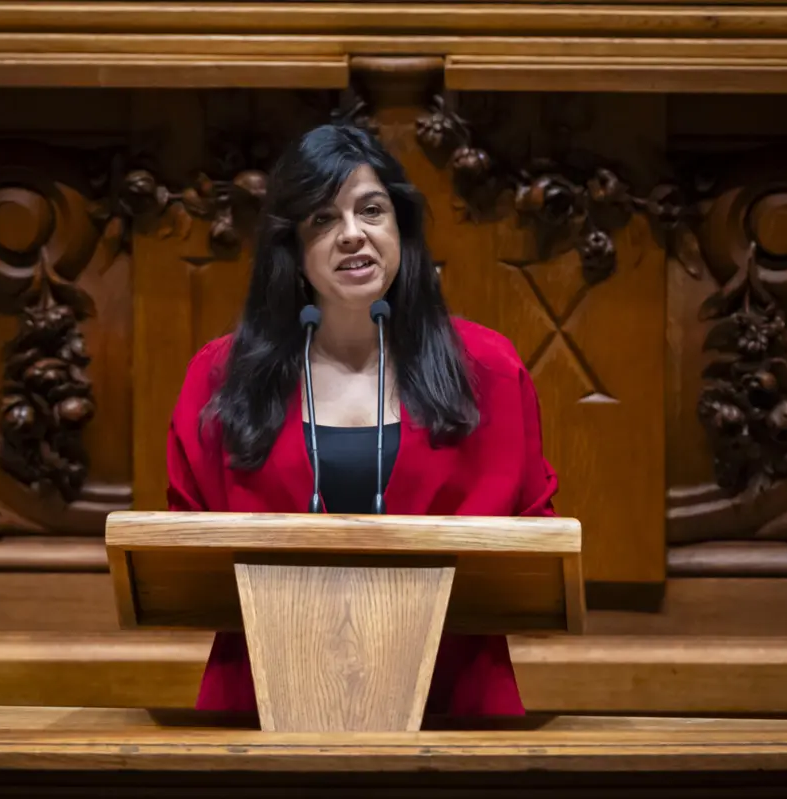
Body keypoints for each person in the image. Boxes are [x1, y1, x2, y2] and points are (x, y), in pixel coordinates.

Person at [166, 122, 560, 718]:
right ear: (293, 249)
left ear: (400, 227)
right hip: (264, 702)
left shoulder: (489, 371)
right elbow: (183, 558)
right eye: (323, 220)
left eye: (371, 210)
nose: (353, 235)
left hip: (452, 701)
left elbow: (535, 554)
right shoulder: (223, 377)